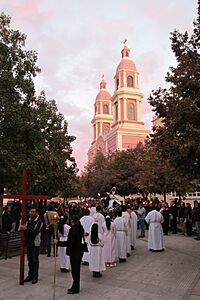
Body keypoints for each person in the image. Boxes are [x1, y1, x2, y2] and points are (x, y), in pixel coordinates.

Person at [19, 206, 43, 284]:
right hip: (29, 243)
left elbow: (35, 232)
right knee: (30, 260)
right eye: (31, 212)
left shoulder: (39, 221)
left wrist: (25, 229)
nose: (32, 213)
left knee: (35, 260)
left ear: (36, 212)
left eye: (33, 212)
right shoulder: (28, 220)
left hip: (35, 243)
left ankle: (35, 276)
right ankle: (30, 274)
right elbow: (25, 229)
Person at [66, 215, 84, 294]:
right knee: (76, 270)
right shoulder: (80, 228)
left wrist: (67, 249)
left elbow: (71, 242)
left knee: (75, 270)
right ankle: (75, 285)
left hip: (74, 251)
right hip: (79, 251)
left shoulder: (73, 230)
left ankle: (76, 287)